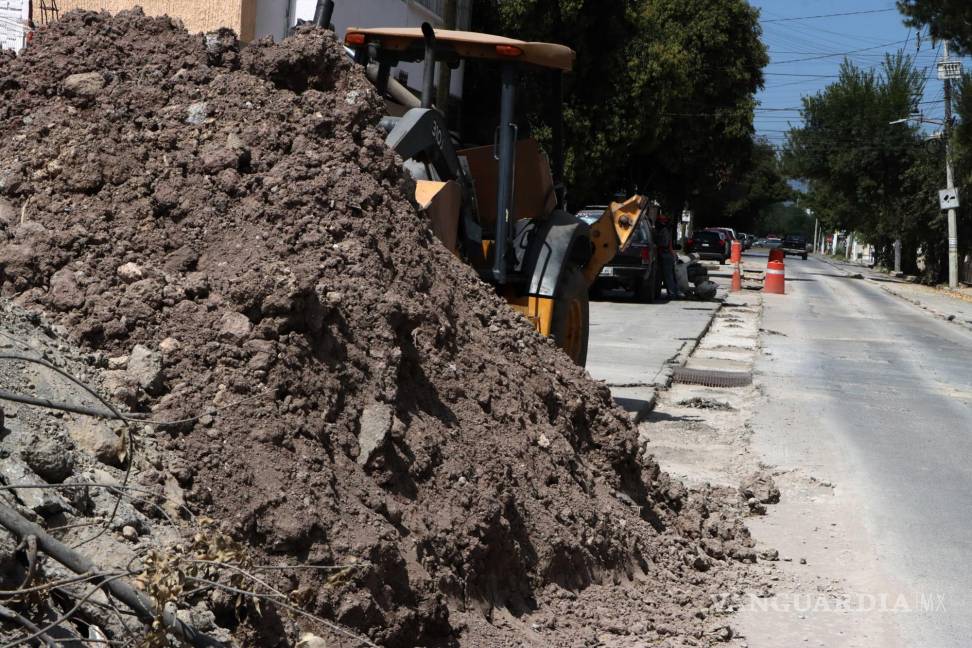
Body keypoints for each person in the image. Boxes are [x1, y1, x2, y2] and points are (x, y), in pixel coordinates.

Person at [655, 213, 681, 300]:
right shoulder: (663, 229)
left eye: (660, 220)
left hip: (665, 254)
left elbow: (665, 244)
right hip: (665, 254)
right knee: (666, 275)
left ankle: (672, 294)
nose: (659, 222)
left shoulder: (664, 230)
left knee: (668, 276)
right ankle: (673, 293)